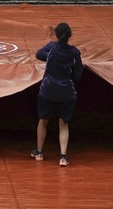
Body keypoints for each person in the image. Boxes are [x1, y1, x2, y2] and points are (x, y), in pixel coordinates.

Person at [30, 22, 83, 167]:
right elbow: (78, 75)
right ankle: (63, 157)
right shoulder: (74, 52)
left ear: (56, 35)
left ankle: (39, 152)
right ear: (69, 36)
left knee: (43, 120)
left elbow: (38, 54)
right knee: (63, 123)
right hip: (66, 92)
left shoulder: (51, 48)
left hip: (48, 90)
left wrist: (51, 58)